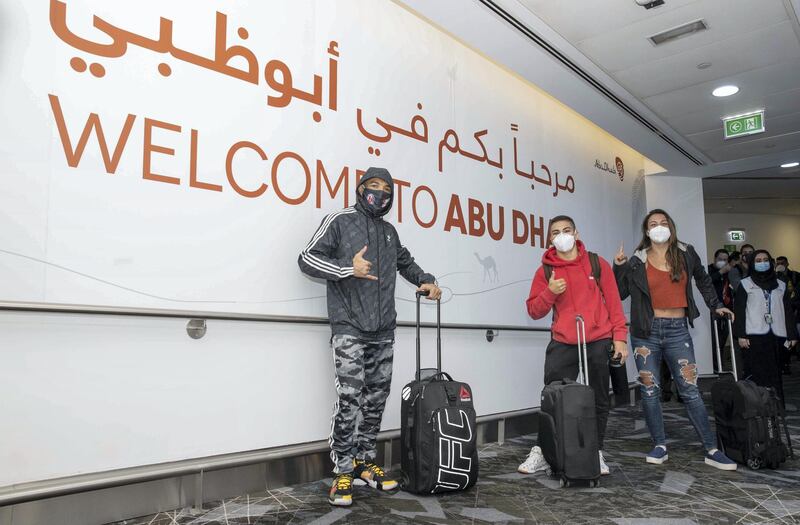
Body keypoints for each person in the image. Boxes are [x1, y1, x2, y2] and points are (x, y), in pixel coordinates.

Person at [298, 167, 442, 506]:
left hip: (383, 329)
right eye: (373, 186)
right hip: (349, 325)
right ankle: (342, 471)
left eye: (386, 188)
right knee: (350, 398)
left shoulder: (389, 232)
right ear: (361, 189)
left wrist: (427, 280)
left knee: (376, 399)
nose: (380, 192)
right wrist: (349, 267)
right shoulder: (340, 220)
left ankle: (365, 462)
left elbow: (406, 263)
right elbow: (306, 259)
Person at [613, 209, 737, 470]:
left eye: (663, 223)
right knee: (649, 391)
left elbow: (703, 280)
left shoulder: (686, 252)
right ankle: (659, 445)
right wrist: (620, 267)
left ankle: (711, 448)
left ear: (671, 226)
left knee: (690, 390)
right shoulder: (637, 258)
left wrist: (716, 305)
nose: (658, 227)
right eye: (653, 224)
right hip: (645, 333)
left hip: (678, 330)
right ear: (647, 231)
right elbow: (621, 293)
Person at [518, 215, 629, 477]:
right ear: (550, 239)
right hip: (563, 342)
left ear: (576, 233)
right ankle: (544, 452)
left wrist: (620, 338)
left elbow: (614, 303)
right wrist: (551, 291)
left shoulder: (596, 263)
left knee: (599, 398)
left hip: (598, 339)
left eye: (567, 230)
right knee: (552, 398)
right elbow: (534, 310)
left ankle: (595, 451)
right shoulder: (545, 271)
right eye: (556, 232)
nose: (562, 235)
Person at [734, 250, 798, 404]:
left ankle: (776, 405)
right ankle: (757, 406)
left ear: (770, 262)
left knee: (775, 372)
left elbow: (788, 311)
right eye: (758, 260)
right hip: (753, 334)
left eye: (765, 260)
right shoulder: (745, 284)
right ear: (752, 264)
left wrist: (792, 335)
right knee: (755, 372)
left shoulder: (781, 285)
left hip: (776, 335)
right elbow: (740, 311)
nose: (762, 263)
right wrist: (741, 335)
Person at [708, 249, 733, 374]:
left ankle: (721, 364)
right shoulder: (709, 270)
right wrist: (721, 272)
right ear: (715, 259)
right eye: (720, 259)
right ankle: (715, 367)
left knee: (723, 341)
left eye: (725, 260)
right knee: (714, 341)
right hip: (713, 311)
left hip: (727, 311)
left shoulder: (729, 273)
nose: (723, 262)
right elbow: (707, 282)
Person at [776, 256, 800, 374]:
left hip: (793, 310)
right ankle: (783, 363)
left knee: (791, 336)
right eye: (778, 263)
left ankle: (787, 362)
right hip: (779, 312)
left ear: (787, 263)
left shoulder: (795, 276)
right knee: (782, 340)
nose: (780, 265)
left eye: (782, 263)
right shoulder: (774, 277)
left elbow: (796, 293)